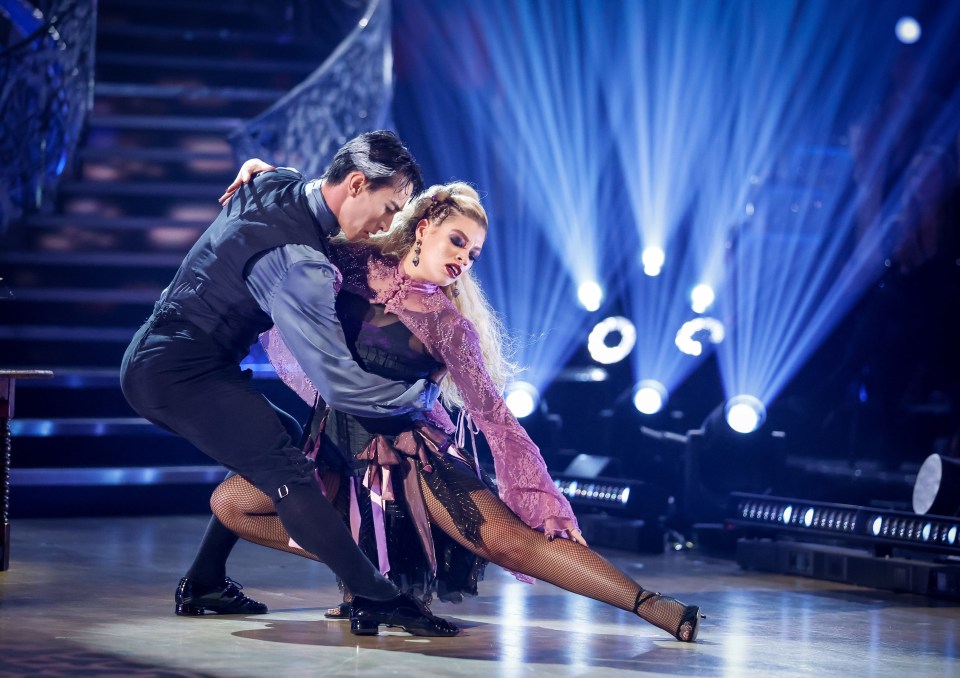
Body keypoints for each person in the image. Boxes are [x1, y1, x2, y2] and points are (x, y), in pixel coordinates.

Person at [207, 168, 704, 641]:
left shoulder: (449, 325)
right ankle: (370, 573)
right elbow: (316, 210)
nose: (465, 259)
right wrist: (268, 173)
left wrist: (541, 497)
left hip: (413, 460)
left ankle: (654, 606)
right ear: (422, 228)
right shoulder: (354, 264)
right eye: (458, 241)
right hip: (336, 447)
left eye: (474, 254)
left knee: (512, 543)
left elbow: (494, 416)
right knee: (232, 504)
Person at [120, 131, 458, 637]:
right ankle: (379, 596)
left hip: (172, 354)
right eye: (388, 209)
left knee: (286, 437)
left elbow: (272, 175)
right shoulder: (300, 263)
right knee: (286, 466)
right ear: (357, 183)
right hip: (175, 371)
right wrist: (423, 396)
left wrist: (257, 165)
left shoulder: (276, 182)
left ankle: (204, 581)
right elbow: (341, 384)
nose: (389, 225)